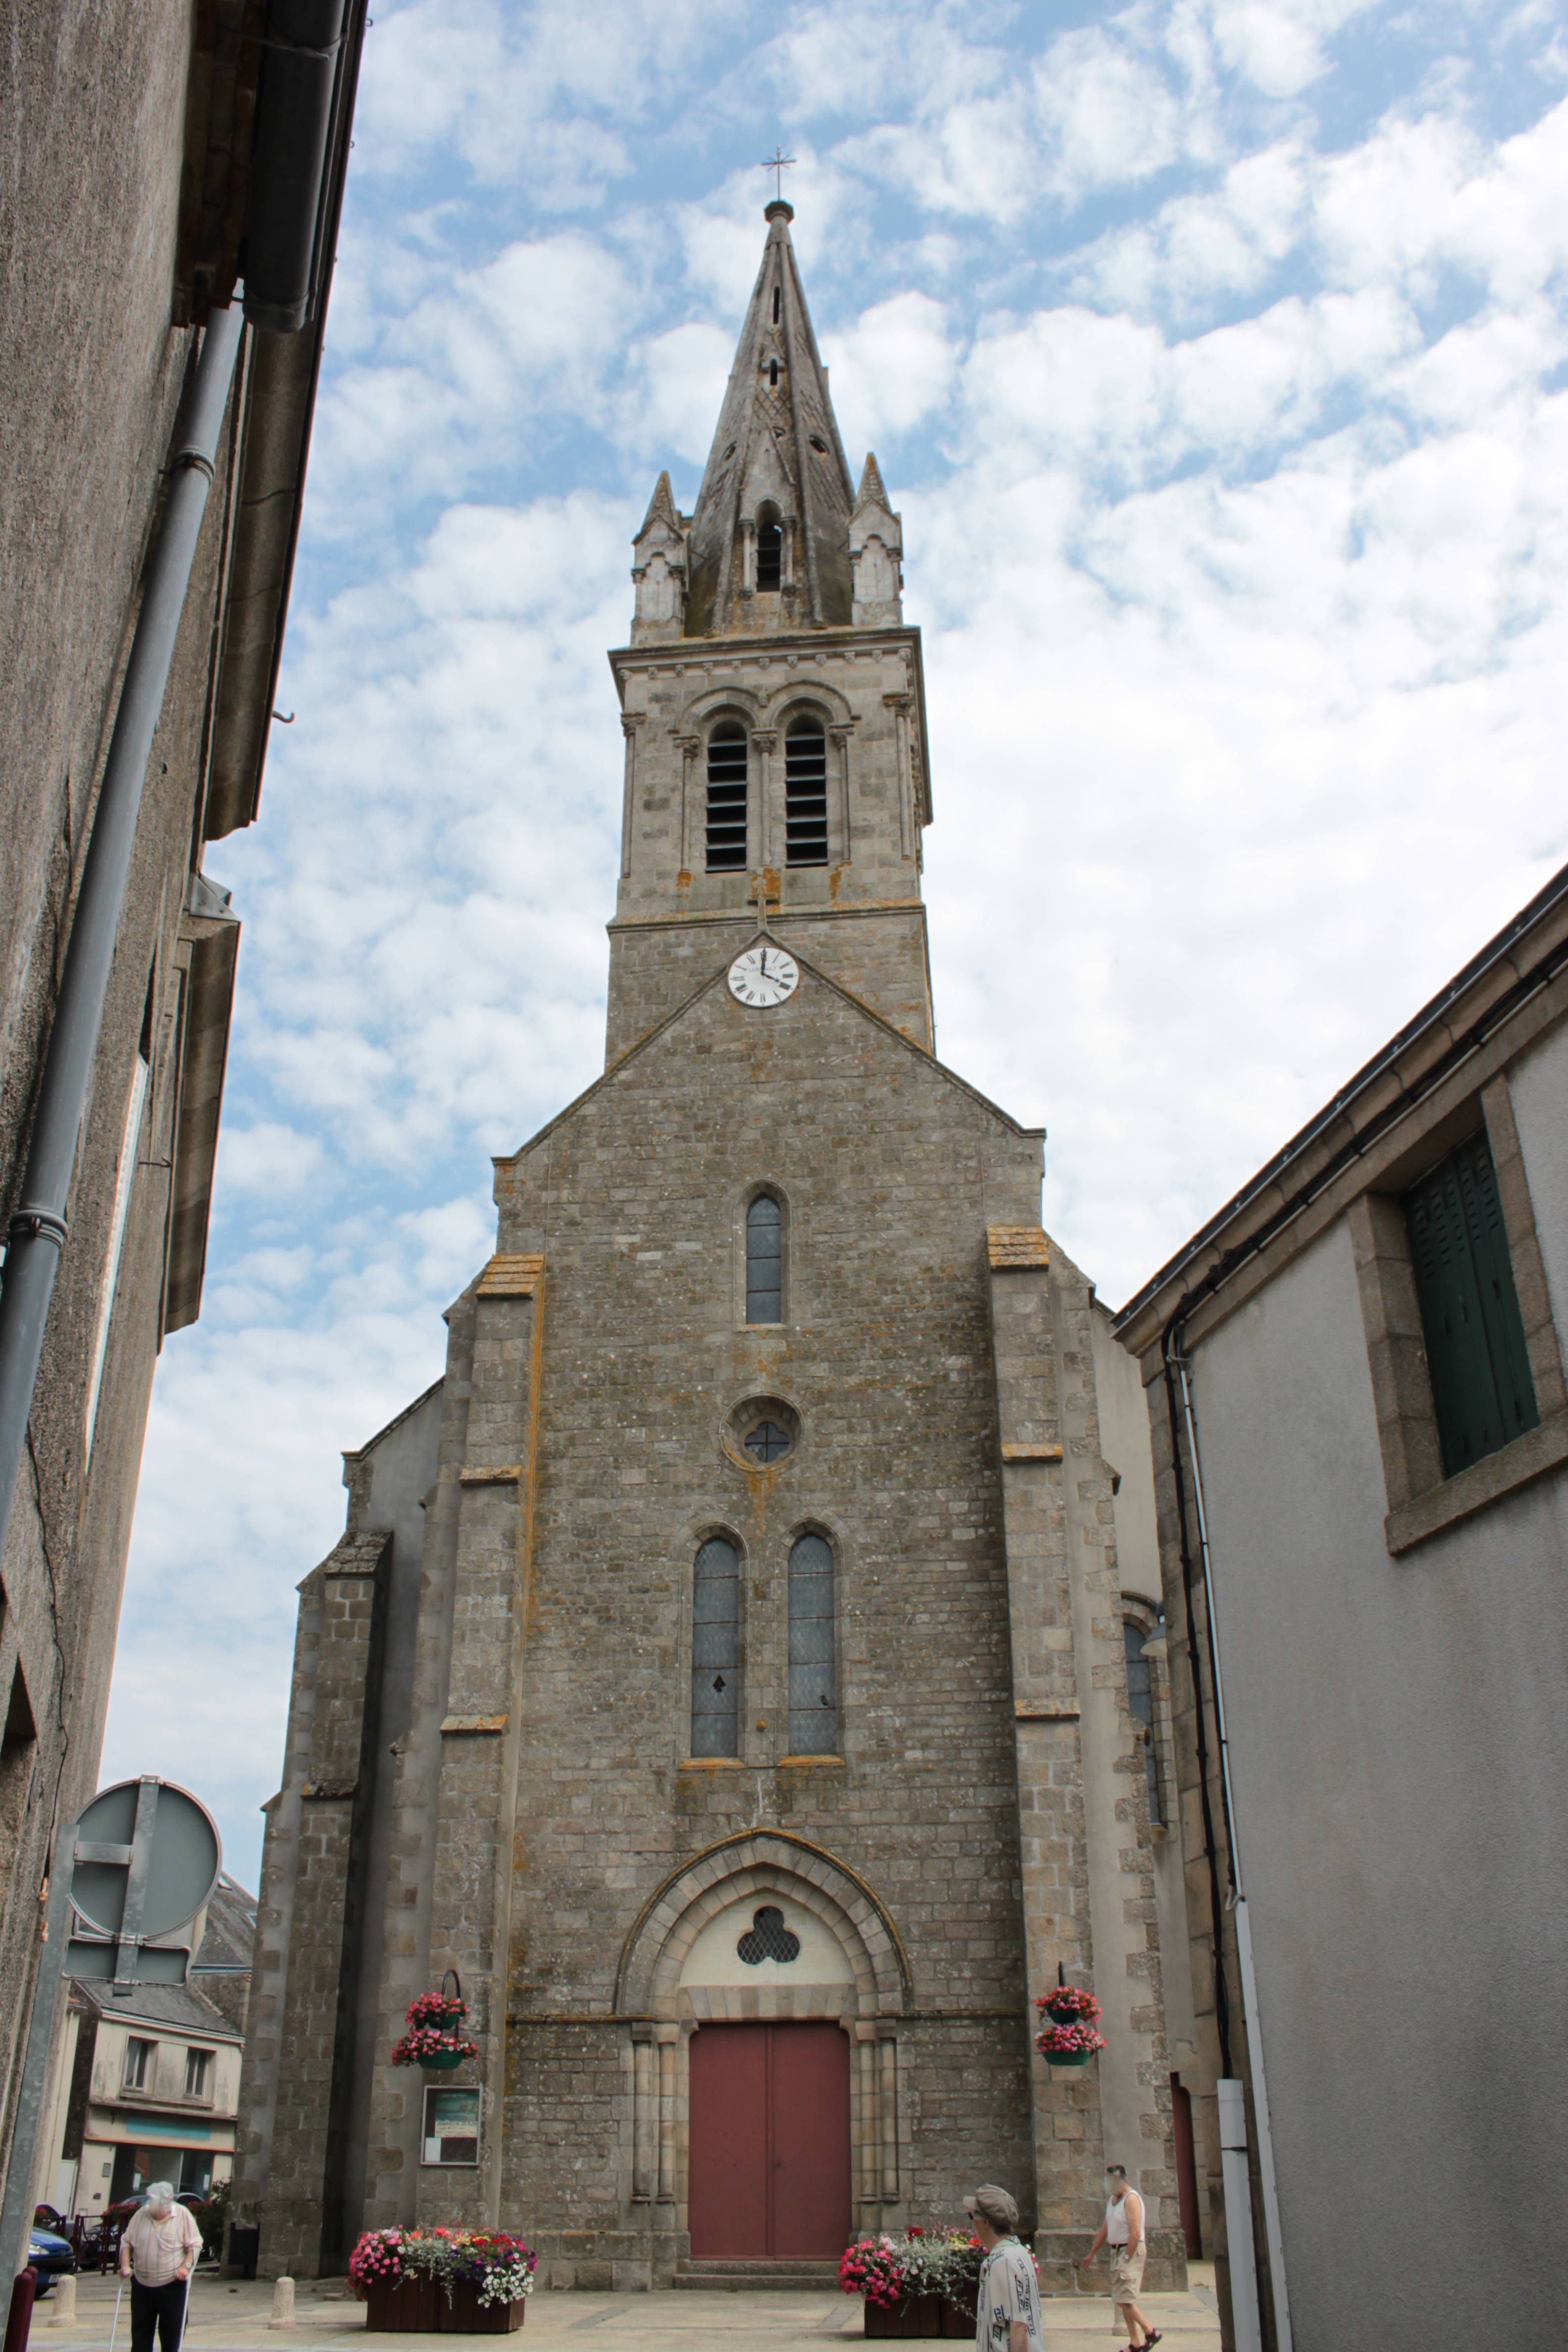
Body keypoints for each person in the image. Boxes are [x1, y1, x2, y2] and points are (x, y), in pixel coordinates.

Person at [1080, 2163, 1161, 2349]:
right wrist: (1091, 2254)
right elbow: (1105, 2228)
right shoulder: (1113, 2200)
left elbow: (1135, 2233)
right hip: (1116, 2250)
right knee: (1120, 2298)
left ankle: (1150, 2332)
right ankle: (1135, 2342)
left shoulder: (1131, 2199)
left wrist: (1127, 2258)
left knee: (1125, 2299)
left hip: (1130, 2250)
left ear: (1121, 2180)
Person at [118, 2183, 199, 2352]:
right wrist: (125, 2265)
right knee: (140, 2336)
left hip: (172, 2285)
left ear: (169, 2203)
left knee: (171, 2335)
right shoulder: (142, 2215)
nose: (156, 2212)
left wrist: (186, 2267)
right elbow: (126, 2242)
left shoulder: (183, 2215)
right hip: (142, 2285)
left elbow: (195, 2245)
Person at [965, 2184, 1044, 2352]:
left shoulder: (1003, 2261)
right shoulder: (1019, 2251)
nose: (972, 2223)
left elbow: (1018, 2327)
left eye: (972, 2216)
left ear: (985, 2222)